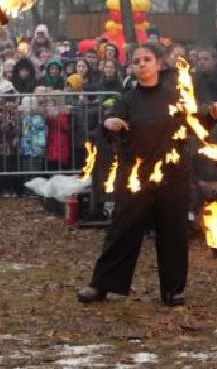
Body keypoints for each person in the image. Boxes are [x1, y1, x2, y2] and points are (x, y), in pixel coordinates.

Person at [76, 43, 192, 306]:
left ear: (159, 64)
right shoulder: (126, 99)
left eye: (147, 59)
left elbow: (197, 120)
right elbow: (111, 121)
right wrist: (110, 124)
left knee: (173, 232)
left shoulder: (176, 95)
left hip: (171, 174)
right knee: (122, 229)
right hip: (136, 175)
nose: (142, 64)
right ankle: (102, 284)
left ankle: (173, 290)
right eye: (136, 60)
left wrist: (214, 114)